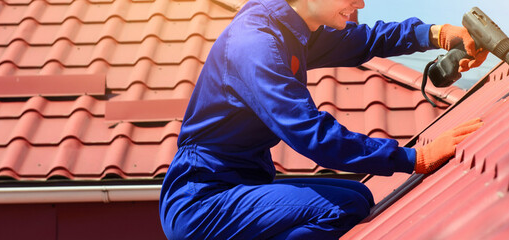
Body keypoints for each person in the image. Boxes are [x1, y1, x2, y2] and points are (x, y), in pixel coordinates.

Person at [159, 0, 487, 239]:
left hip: (238, 186)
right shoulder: (256, 45)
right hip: (203, 201)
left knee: (359, 197)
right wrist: (414, 158)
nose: (359, 3)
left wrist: (438, 34)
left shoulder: (287, 28)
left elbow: (365, 39)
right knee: (341, 206)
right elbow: (311, 134)